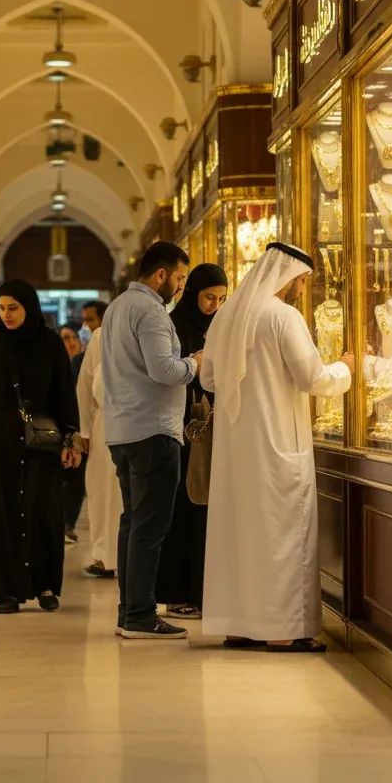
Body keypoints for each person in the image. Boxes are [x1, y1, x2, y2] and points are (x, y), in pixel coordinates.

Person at [200, 243, 354, 652]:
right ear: (289, 277)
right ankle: (284, 630)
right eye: (302, 281)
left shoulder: (227, 315)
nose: (302, 290)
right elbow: (312, 378)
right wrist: (348, 368)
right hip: (278, 444)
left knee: (240, 534)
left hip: (235, 450)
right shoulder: (284, 317)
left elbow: (208, 381)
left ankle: (239, 624)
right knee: (282, 533)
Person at [0, 280, 82, 614]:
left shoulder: (50, 344)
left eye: (14, 308)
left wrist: (71, 439)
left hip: (42, 442)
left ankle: (46, 586)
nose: (7, 315)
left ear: (29, 307)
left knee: (44, 511)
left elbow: (65, 393)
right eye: (3, 308)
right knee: (1, 510)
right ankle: (6, 589)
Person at [102, 241, 199, 640]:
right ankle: (141, 615)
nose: (179, 287)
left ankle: (130, 611)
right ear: (160, 275)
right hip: (153, 430)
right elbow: (163, 370)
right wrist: (196, 363)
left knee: (133, 523)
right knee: (149, 527)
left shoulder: (118, 307)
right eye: (178, 278)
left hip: (124, 430)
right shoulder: (151, 311)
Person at [155, 263, 228, 620]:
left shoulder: (221, 328)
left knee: (204, 509)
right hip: (181, 427)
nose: (214, 305)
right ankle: (176, 591)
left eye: (221, 299)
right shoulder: (174, 325)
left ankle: (202, 590)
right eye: (208, 297)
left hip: (212, 428)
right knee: (182, 508)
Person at [76, 323, 120, 579]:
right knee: (102, 490)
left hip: (140, 422)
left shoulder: (155, 327)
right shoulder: (103, 334)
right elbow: (86, 383)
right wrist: (84, 430)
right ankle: (104, 556)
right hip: (104, 423)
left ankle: (126, 558)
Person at [58, 321, 86, 544]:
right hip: (58, 429)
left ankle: (68, 523)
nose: (68, 343)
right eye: (63, 339)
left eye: (71, 338)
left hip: (81, 428)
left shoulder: (83, 363)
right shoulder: (57, 364)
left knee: (76, 479)